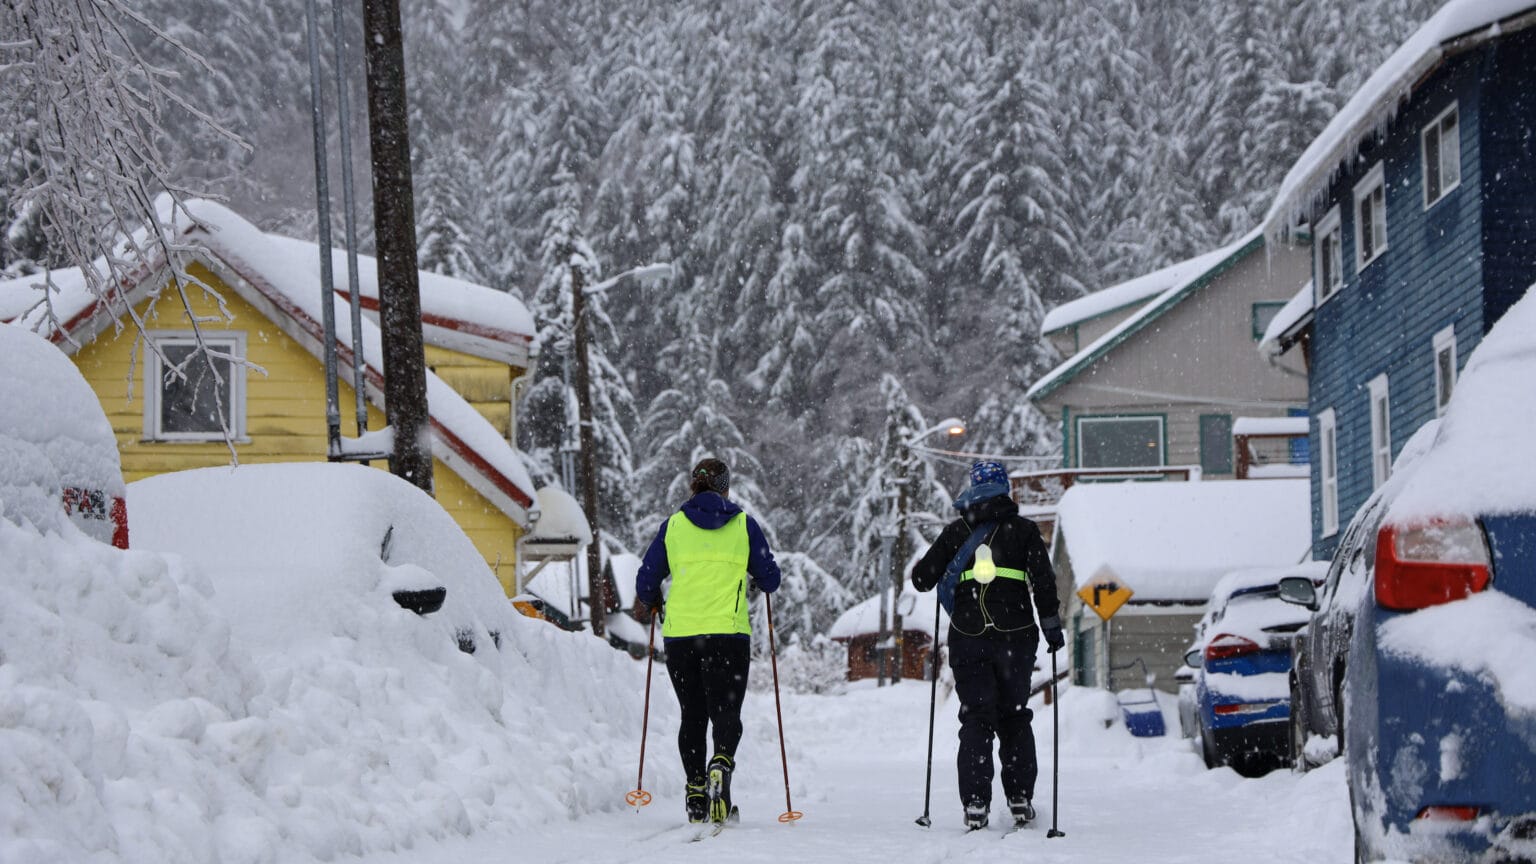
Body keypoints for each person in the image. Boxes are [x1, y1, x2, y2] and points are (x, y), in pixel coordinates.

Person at [910, 459, 1064, 831]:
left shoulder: (956, 532)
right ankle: (1020, 796)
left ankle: (976, 802)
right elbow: (1044, 583)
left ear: (972, 489)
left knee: (977, 717)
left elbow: (921, 580)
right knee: (1014, 716)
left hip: (968, 637)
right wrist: (1052, 629)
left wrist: (943, 565)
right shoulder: (1024, 531)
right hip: (1017, 636)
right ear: (1006, 490)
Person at [633, 457, 781, 825]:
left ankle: (696, 791)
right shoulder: (744, 525)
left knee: (693, 715)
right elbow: (771, 577)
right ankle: (722, 763)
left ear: (692, 487)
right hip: (728, 636)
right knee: (726, 713)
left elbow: (646, 579)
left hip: (681, 637)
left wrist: (652, 598)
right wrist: (758, 579)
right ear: (725, 488)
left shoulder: (674, 527)